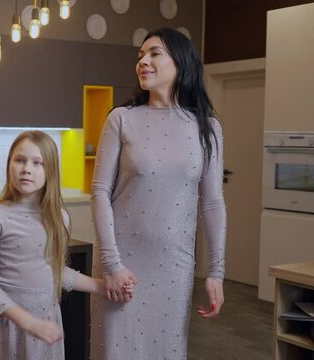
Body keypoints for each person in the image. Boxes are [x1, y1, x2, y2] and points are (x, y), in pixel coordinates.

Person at [91, 27, 227, 359]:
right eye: (140, 56)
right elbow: (99, 193)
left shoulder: (207, 128)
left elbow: (212, 202)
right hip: (121, 262)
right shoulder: (121, 119)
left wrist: (216, 271)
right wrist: (112, 264)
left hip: (174, 267)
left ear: (181, 63)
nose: (144, 62)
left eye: (154, 53)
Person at [0, 130, 133, 360]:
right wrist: (28, 322)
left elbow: (55, 270)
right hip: (7, 324)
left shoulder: (59, 218)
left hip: (45, 320)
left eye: (38, 163)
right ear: (9, 165)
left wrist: (103, 287)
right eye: (19, 160)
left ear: (51, 171)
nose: (26, 168)